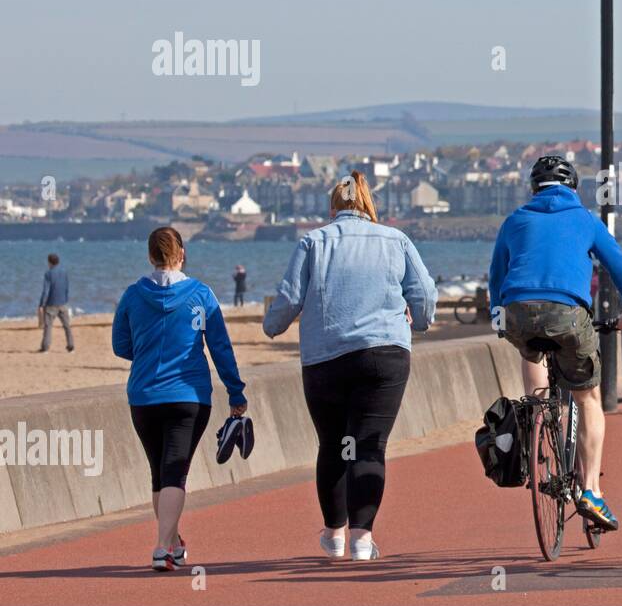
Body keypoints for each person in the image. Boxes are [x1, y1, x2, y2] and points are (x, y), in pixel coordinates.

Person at [264, 171, 436, 561]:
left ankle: (334, 535)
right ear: (366, 204)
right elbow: (423, 292)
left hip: (327, 358)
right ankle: (362, 539)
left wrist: (272, 327)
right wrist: (421, 322)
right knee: (369, 446)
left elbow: (290, 297)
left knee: (336, 445)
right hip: (384, 355)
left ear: (333, 207)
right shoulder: (396, 239)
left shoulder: (313, 241)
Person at [489, 155, 622, 533]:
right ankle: (590, 490)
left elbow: (496, 274)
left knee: (532, 347)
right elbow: (620, 267)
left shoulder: (515, 220)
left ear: (533, 188)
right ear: (573, 187)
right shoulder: (586, 219)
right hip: (566, 313)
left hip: (517, 310)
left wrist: (498, 318)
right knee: (588, 398)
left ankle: (536, 413)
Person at [112, 227, 246, 571]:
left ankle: (171, 542)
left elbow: (120, 346)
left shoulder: (131, 296)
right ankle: (162, 547)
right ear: (181, 254)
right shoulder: (200, 294)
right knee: (175, 470)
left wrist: (147, 351)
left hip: (143, 395)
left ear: (150, 256)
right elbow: (220, 348)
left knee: (159, 471)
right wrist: (235, 391)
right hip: (189, 396)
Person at [37, 253, 75, 353]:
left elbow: (46, 291)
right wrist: (66, 300)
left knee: (48, 327)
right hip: (63, 303)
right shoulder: (64, 272)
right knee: (67, 326)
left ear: (49, 262)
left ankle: (45, 347)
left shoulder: (48, 274)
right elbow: (66, 288)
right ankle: (71, 346)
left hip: (51, 304)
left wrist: (41, 304)